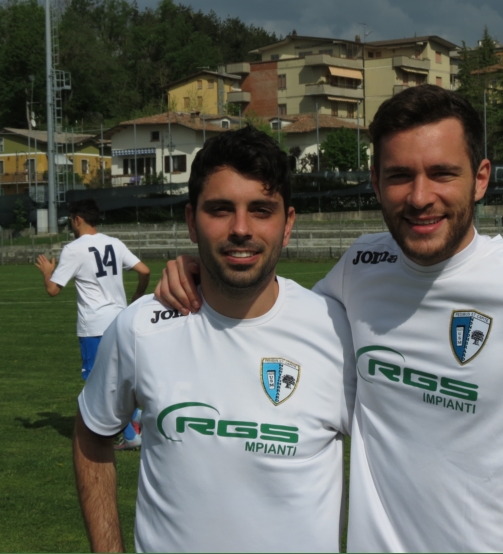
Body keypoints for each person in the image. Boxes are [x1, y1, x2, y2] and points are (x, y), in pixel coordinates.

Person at [155, 85, 503, 552]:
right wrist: (205, 270)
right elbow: (280, 322)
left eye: (441, 174)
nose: (419, 197)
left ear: (480, 178)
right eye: (399, 176)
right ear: (375, 182)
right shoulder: (361, 267)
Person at [73, 127, 355, 552]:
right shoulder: (141, 327)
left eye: (261, 210)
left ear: (288, 224)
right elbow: (91, 433)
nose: (240, 228)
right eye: (221, 210)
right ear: (191, 221)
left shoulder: (337, 331)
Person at [35, 199, 150, 450]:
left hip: (94, 325)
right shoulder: (114, 243)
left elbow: (53, 290)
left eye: (70, 220)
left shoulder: (74, 249)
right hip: (120, 321)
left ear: (77, 219)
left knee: (98, 382)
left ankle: (129, 436)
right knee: (119, 376)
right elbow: (145, 271)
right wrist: (137, 297)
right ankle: (137, 417)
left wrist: (47, 273)